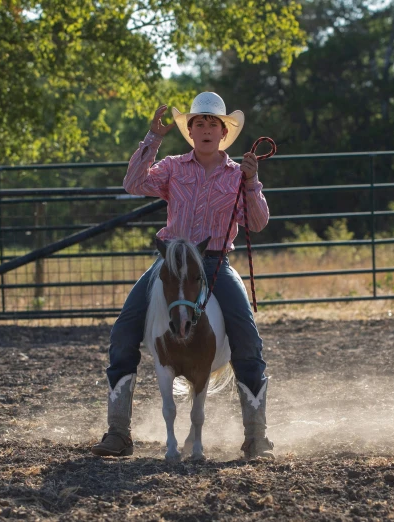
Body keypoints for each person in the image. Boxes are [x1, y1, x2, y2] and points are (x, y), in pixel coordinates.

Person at [91, 92, 274, 460]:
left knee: (246, 335)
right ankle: (118, 432)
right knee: (124, 328)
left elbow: (256, 223)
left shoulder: (239, 175)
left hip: (213, 262)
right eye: (199, 124)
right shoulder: (173, 166)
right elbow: (133, 183)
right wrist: (153, 138)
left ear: (224, 133)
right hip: (171, 259)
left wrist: (253, 183)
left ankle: (256, 436)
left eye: (213, 125)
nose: (206, 130)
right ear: (190, 132)